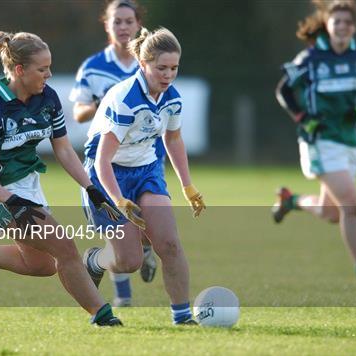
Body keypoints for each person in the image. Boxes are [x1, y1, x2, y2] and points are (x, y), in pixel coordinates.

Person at [0, 17, 123, 326]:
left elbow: (64, 150)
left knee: (41, 264)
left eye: (49, 67)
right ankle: (103, 315)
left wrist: (91, 188)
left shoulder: (48, 98)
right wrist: (12, 201)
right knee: (65, 247)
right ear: (19, 71)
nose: (49, 74)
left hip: (27, 183)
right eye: (42, 69)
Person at [81, 27, 206, 324]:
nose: (168, 75)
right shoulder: (125, 99)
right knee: (128, 261)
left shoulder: (172, 97)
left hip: (146, 170)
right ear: (143, 64)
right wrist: (118, 199)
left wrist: (188, 187)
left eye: (174, 68)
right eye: (161, 68)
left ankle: (182, 317)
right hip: (106, 175)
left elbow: (173, 140)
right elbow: (102, 159)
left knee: (170, 244)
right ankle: (94, 261)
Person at [273, 0, 356, 286]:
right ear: (329, 25)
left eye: (348, 22)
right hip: (319, 141)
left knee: (331, 213)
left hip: (348, 142)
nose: (343, 27)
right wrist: (302, 117)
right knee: (351, 203)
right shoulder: (312, 58)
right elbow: (284, 89)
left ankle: (291, 201)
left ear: (354, 26)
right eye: (338, 22)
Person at [69, 0, 158, 307]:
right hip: (109, 160)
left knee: (151, 229)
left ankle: (146, 249)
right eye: (116, 22)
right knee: (120, 230)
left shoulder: (148, 62)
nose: (123, 27)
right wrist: (103, 103)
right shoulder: (94, 67)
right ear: (106, 26)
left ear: (138, 25)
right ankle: (123, 296)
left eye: (128, 22)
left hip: (145, 159)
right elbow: (78, 111)